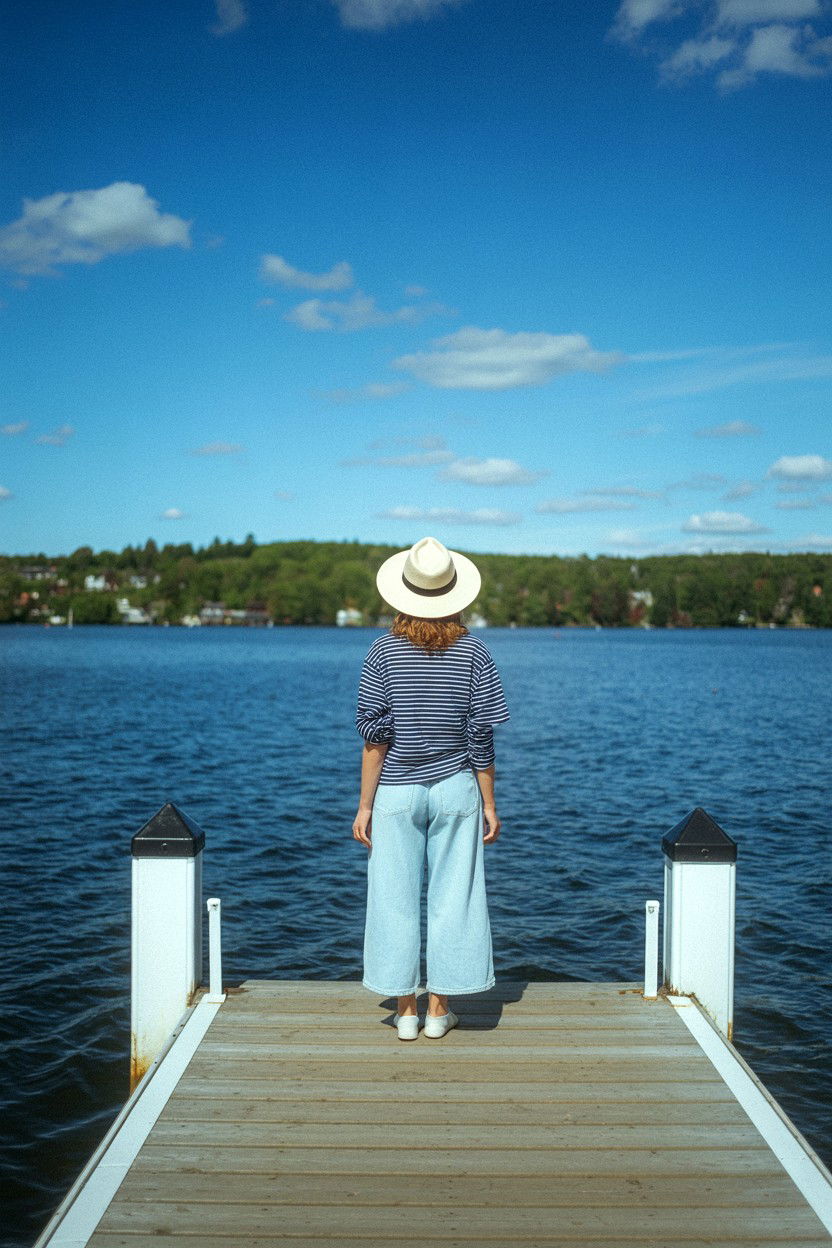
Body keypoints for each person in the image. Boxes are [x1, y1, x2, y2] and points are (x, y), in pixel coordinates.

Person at [352, 536, 509, 1040]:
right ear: (454, 594)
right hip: (457, 788)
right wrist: (489, 802)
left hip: (397, 790)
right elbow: (480, 734)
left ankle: (405, 1012)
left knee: (394, 898)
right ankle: (439, 1010)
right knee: (454, 897)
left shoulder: (381, 651)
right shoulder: (476, 652)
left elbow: (375, 737)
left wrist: (364, 805)